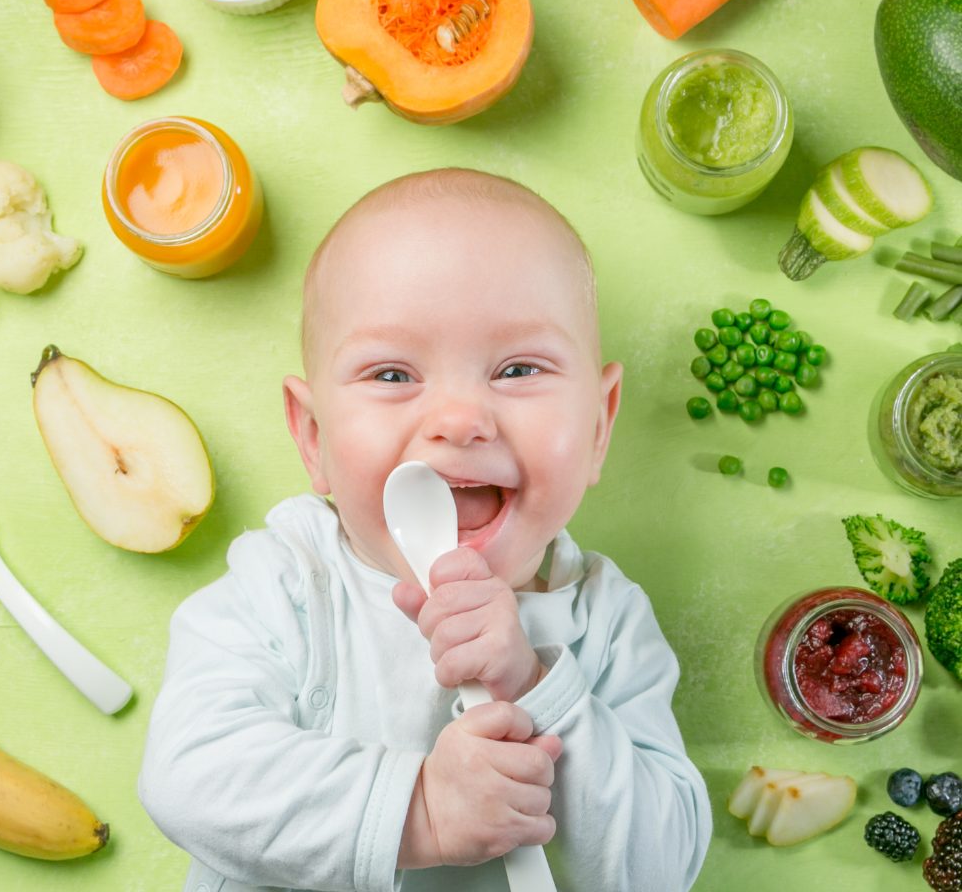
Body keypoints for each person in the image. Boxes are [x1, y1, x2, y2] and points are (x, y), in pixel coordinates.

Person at [139, 168, 711, 892]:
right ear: (313, 438)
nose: (460, 418)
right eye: (391, 375)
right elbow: (188, 776)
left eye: (517, 367)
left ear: (598, 426)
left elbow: (664, 868)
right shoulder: (283, 582)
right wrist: (420, 811)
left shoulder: (607, 623)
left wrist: (534, 688)